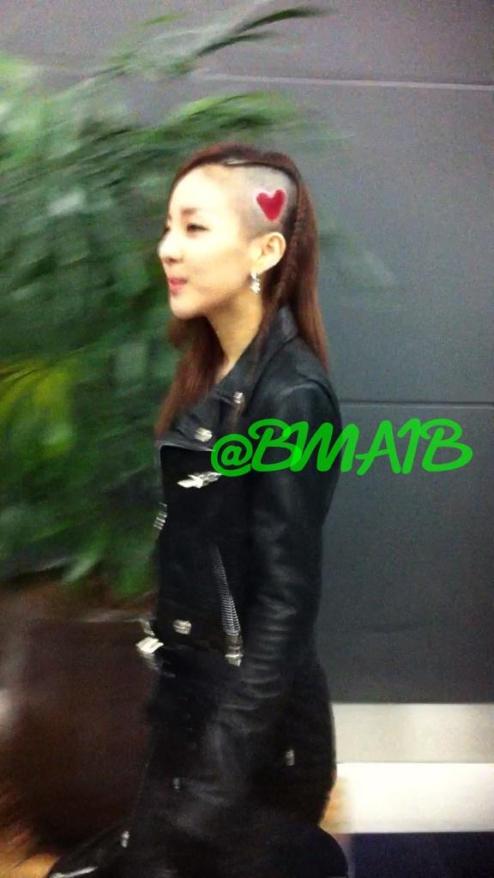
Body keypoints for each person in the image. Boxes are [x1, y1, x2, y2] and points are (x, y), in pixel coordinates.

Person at [46, 141, 348, 878]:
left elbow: (283, 610)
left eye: (194, 227)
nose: (167, 249)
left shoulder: (290, 396)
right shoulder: (214, 373)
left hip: (255, 748)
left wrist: (213, 787)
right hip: (193, 718)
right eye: (167, 227)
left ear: (265, 250)